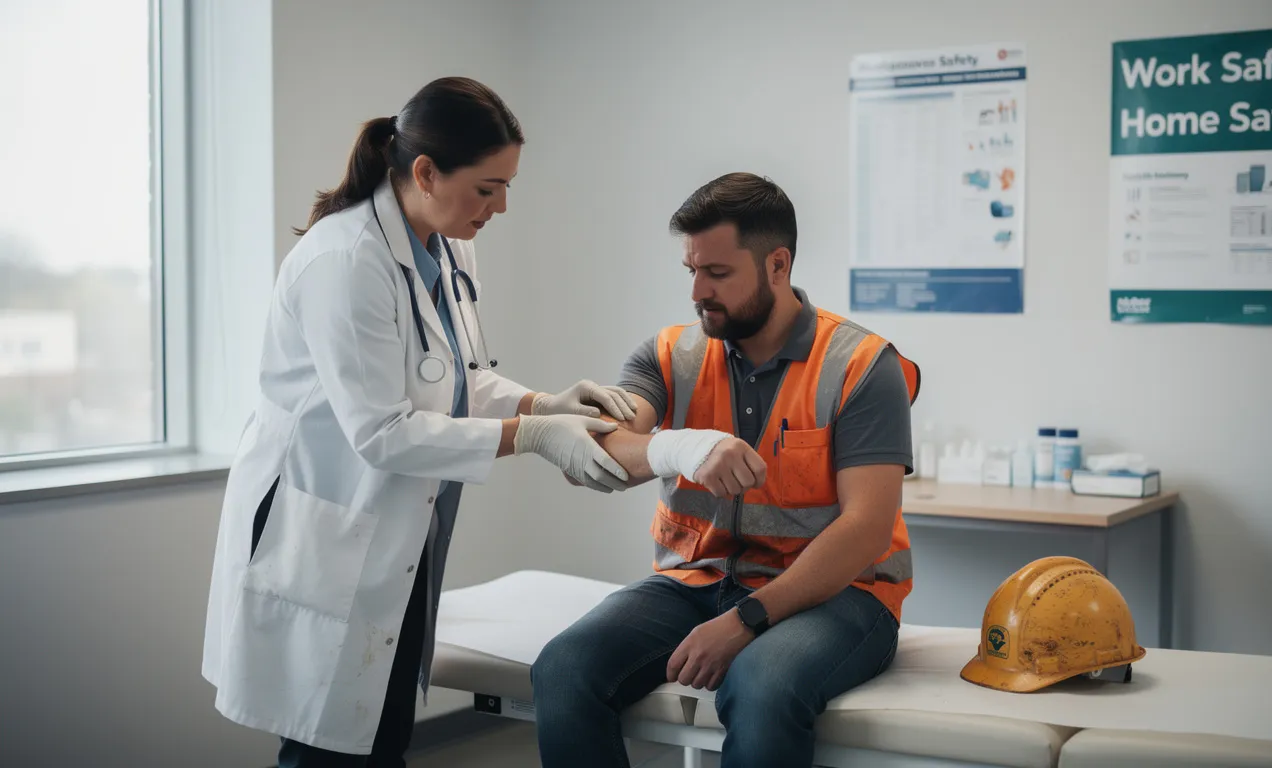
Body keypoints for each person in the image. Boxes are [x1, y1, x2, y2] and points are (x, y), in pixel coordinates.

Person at [201, 77, 639, 767]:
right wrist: (532, 438)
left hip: (394, 534)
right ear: (426, 172)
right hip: (324, 532)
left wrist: (542, 403)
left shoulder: (449, 243)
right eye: (487, 187)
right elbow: (382, 433)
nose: (500, 207)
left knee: (379, 736)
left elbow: (452, 378)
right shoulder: (345, 261)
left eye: (506, 187)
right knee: (328, 748)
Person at [531, 172, 921, 768]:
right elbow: (601, 450)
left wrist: (745, 620)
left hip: (840, 596)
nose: (697, 291)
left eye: (717, 274)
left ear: (777, 265)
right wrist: (681, 446)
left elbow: (866, 528)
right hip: (695, 583)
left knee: (761, 687)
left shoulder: (863, 366)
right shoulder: (669, 355)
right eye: (691, 270)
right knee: (563, 669)